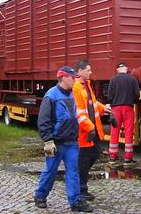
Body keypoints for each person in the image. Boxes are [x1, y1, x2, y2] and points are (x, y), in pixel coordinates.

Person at [34, 66, 93, 213]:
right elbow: (43, 120)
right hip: (56, 142)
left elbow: (76, 115)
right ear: (65, 78)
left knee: (73, 172)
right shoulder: (51, 96)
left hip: (72, 141)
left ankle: (75, 202)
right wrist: (48, 141)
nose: (75, 80)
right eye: (73, 78)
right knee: (51, 171)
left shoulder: (72, 94)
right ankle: (40, 196)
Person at [73, 60, 111, 201]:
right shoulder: (76, 88)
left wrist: (103, 108)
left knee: (94, 154)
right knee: (83, 161)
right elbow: (79, 112)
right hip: (84, 134)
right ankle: (81, 190)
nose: (91, 72)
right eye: (88, 70)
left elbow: (91, 104)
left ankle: (79, 183)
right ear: (80, 71)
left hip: (91, 132)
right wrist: (90, 128)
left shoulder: (87, 86)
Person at [107, 62, 140, 165]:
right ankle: (128, 158)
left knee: (114, 132)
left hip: (116, 108)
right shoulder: (133, 79)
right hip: (128, 108)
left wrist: (113, 103)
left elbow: (110, 96)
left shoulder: (113, 79)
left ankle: (112, 157)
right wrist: (132, 101)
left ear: (117, 69)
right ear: (126, 69)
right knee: (129, 132)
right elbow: (137, 95)